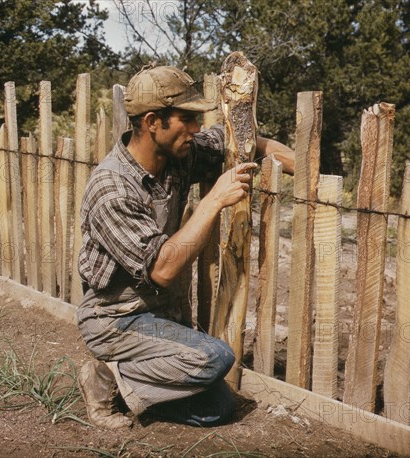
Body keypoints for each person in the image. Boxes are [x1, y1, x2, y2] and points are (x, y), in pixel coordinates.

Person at [76, 64, 294, 429]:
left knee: (217, 408)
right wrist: (213, 201)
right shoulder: (111, 188)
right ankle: (104, 377)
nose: (196, 129)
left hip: (159, 317)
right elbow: (161, 270)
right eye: (186, 119)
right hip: (117, 318)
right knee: (215, 358)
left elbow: (245, 141)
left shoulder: (177, 154)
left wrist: (303, 169)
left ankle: (134, 388)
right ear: (151, 122)